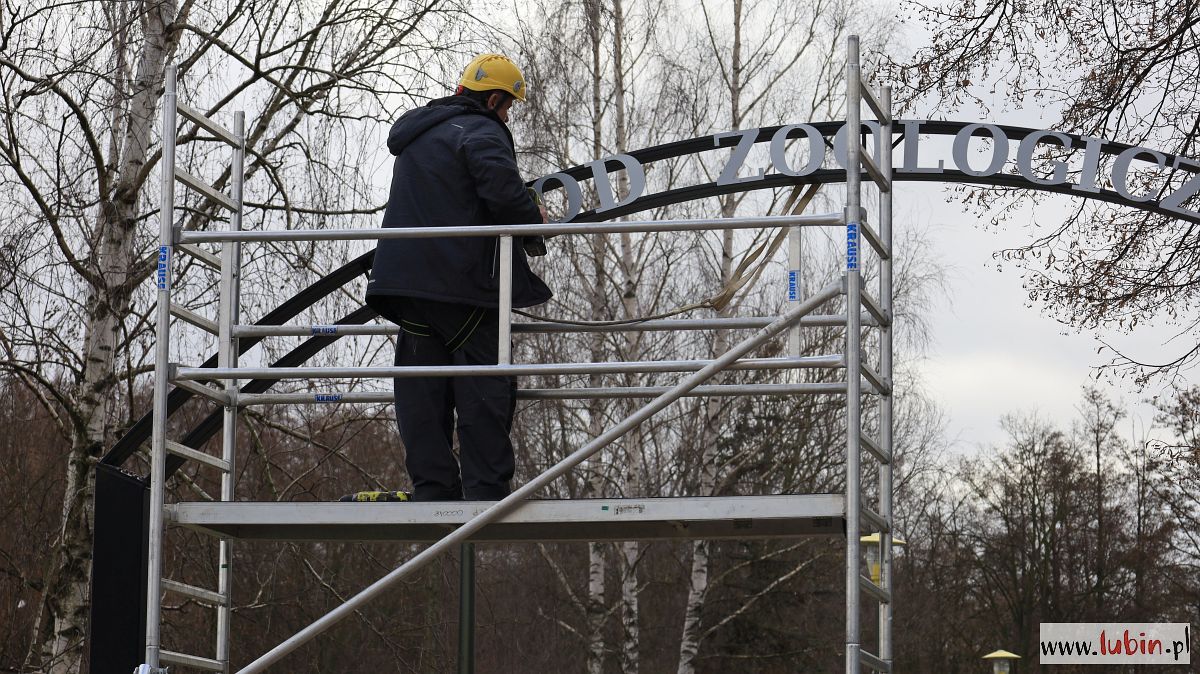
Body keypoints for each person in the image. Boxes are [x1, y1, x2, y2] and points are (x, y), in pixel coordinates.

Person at [353, 54, 551, 503]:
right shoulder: (482, 131)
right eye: (507, 108)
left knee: (421, 389)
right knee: (486, 386)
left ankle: (434, 488)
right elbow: (501, 192)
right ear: (495, 98)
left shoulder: (418, 135)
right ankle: (485, 494)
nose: (507, 117)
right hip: (463, 286)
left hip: (406, 287)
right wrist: (532, 218)